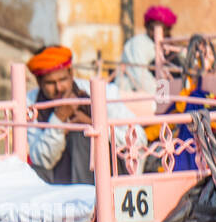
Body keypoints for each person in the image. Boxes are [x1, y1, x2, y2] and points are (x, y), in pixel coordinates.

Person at [26, 46, 136, 185]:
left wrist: (94, 126)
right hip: (55, 180)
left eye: (62, 80)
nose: (59, 88)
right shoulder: (30, 103)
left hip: (106, 177)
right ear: (39, 82)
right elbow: (42, 160)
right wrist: (59, 120)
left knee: (80, 134)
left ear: (71, 73)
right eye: (50, 83)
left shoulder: (100, 92)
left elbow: (137, 138)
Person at [117, 5, 178, 96]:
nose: (155, 33)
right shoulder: (138, 43)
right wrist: (160, 95)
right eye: (152, 28)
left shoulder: (170, 45)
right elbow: (139, 75)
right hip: (131, 93)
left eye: (163, 29)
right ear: (147, 27)